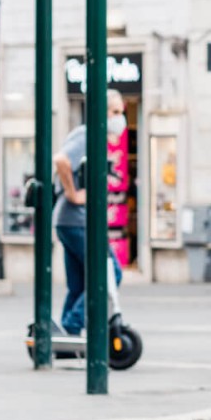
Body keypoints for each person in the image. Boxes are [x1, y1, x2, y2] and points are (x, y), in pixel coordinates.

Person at [53, 89, 126, 335]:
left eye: (121, 113)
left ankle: (66, 337)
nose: (120, 119)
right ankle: (73, 325)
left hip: (70, 221)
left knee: (78, 283)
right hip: (77, 220)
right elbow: (62, 160)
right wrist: (73, 194)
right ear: (101, 113)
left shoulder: (92, 137)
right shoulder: (87, 135)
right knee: (108, 273)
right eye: (115, 112)